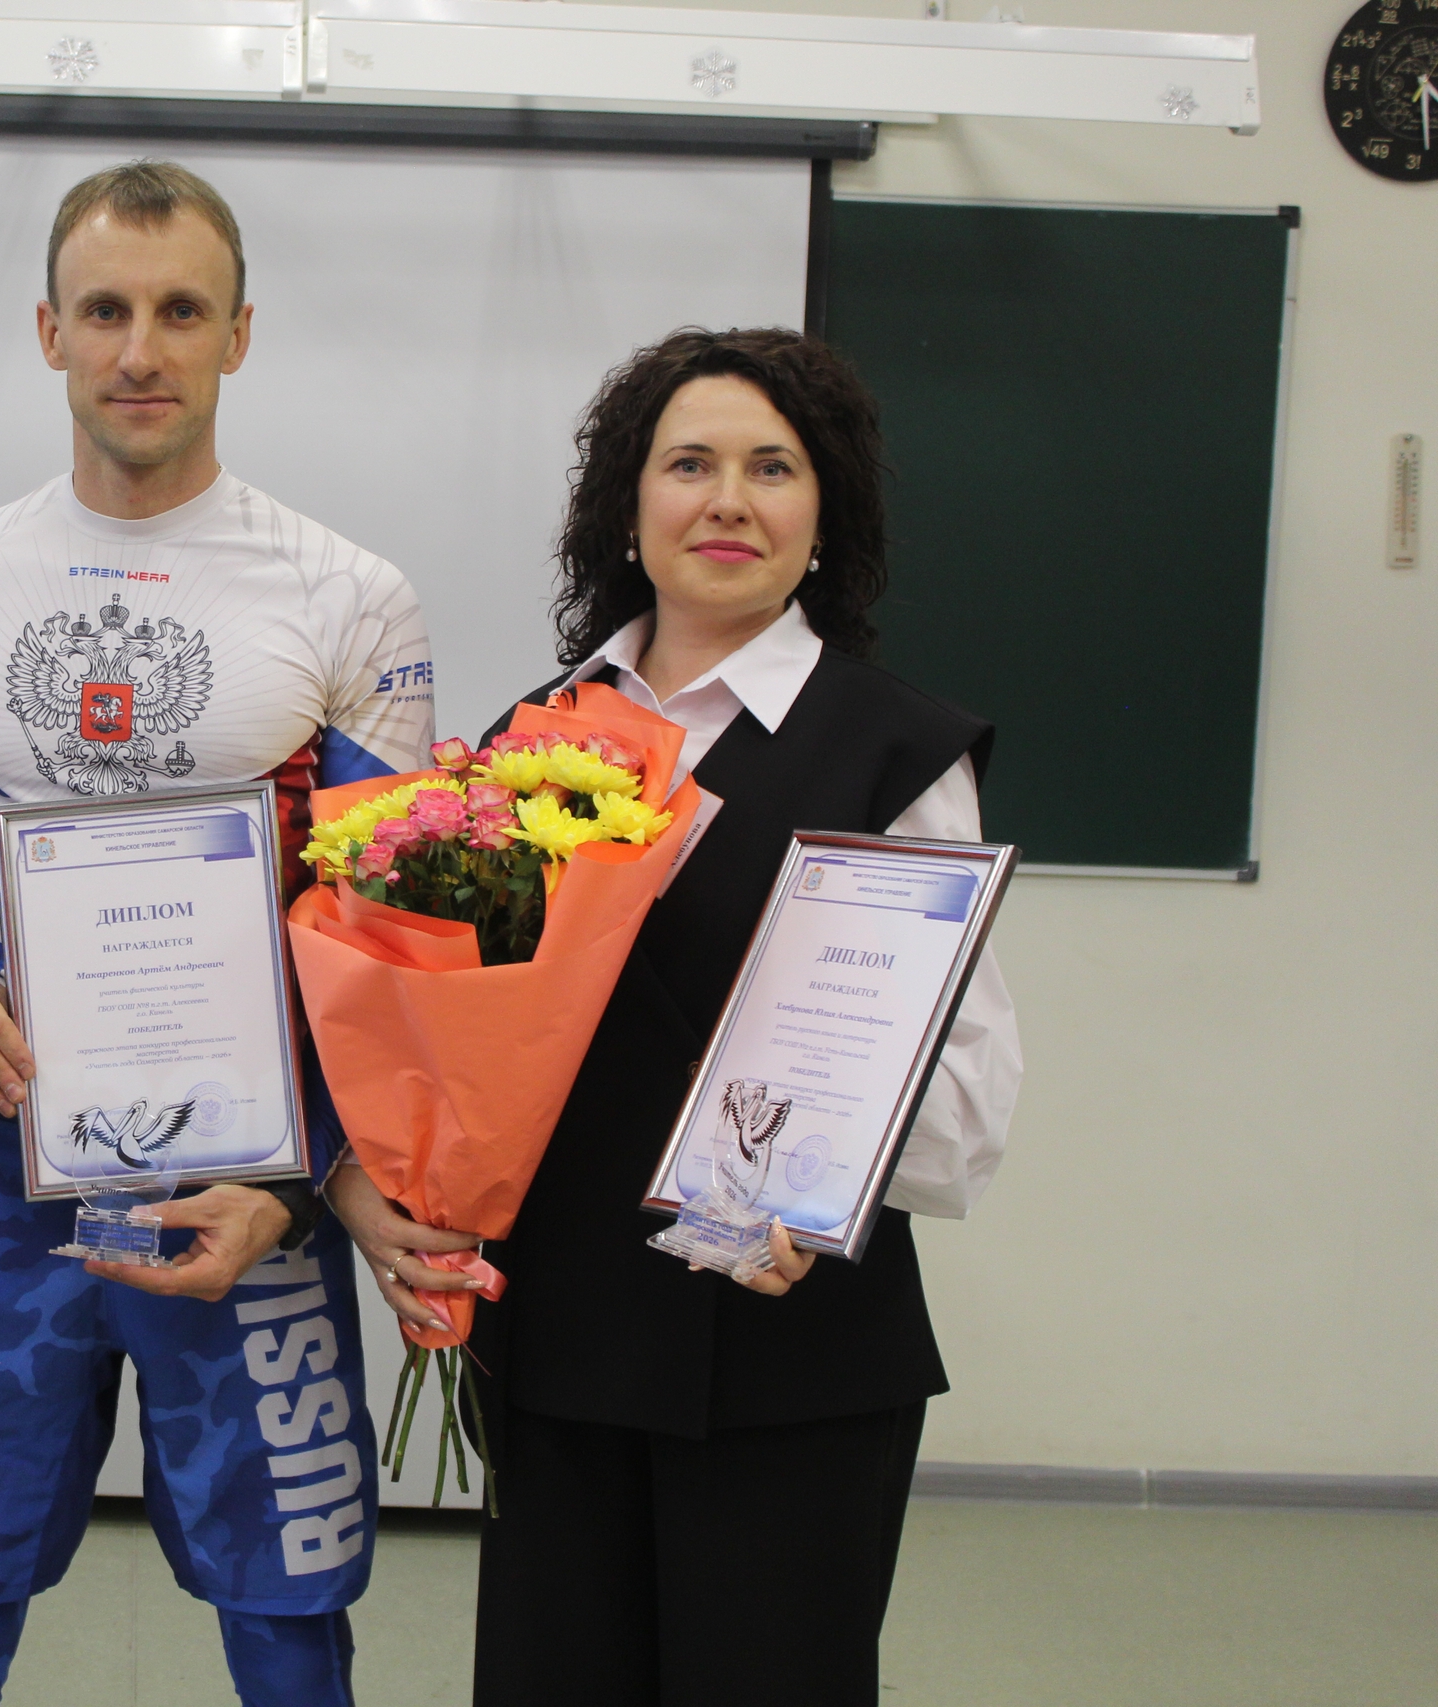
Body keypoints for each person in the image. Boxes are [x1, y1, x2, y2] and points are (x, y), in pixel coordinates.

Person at [326, 328, 1022, 1706]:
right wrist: (400, 1182)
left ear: (825, 513)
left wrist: (820, 1183)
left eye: (774, 467)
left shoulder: (896, 750)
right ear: (628, 505)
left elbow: (964, 1102)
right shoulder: (532, 735)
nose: (729, 500)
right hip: (561, 1337)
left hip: (788, 1353)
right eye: (689, 464)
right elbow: (452, 1021)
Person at [0, 161, 434, 1707]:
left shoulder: (351, 597)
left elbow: (381, 931)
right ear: (48, 330)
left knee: (286, 1606)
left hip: (245, 1174)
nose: (140, 350)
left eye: (181, 312)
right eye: (105, 311)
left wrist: (298, 1179)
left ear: (238, 335)